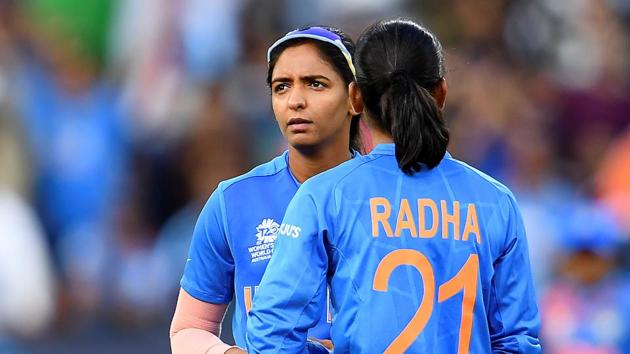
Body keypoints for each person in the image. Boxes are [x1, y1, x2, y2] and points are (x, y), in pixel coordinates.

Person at [247, 18, 541, 353]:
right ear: (441, 93)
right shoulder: (495, 201)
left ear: (355, 98)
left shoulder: (324, 195)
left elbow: (271, 336)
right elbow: (517, 342)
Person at [169, 26, 364, 354]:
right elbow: (190, 326)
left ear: (354, 98)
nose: (296, 101)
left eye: (316, 84)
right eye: (281, 87)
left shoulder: (388, 199)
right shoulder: (233, 202)